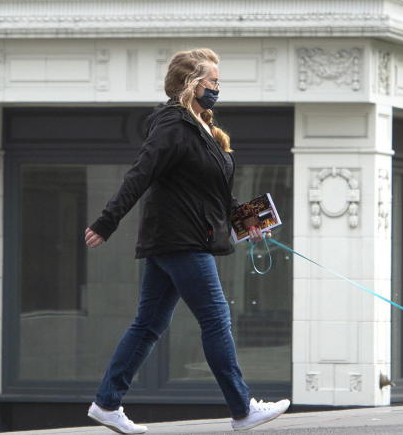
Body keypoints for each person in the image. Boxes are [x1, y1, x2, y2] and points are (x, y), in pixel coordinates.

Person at [83, 48, 290, 434]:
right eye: (212, 82)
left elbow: (212, 193)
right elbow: (140, 174)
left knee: (148, 324)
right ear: (192, 85)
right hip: (181, 239)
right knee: (215, 319)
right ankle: (242, 408)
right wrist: (106, 222)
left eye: (217, 82)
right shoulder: (172, 125)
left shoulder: (201, 129)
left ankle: (107, 402)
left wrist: (248, 221)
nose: (217, 88)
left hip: (178, 238)